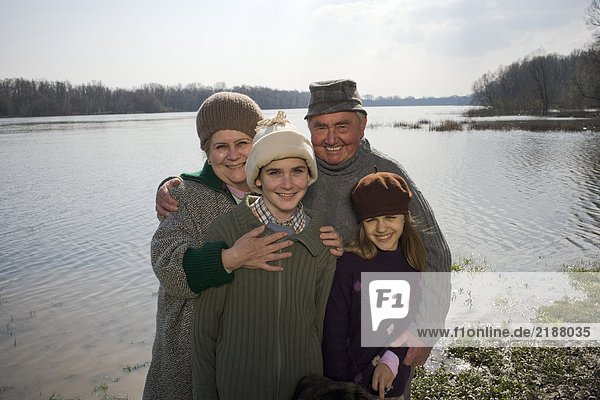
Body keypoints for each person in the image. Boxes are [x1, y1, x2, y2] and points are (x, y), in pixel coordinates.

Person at [156, 79, 451, 388]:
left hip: (380, 346)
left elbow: (436, 253)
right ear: (309, 128)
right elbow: (238, 186)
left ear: (362, 124)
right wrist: (178, 186)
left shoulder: (385, 174)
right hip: (308, 350)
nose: (332, 138)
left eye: (343, 126)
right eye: (321, 127)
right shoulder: (296, 171)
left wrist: (427, 326)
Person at [144, 93, 299, 400]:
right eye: (220, 146)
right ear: (207, 151)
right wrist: (230, 258)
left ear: (257, 142)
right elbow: (167, 265)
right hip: (189, 355)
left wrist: (416, 336)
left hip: (253, 356)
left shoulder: (282, 187)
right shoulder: (185, 195)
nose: (233, 155)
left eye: (242, 143)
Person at [191, 112, 337, 399]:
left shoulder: (321, 237)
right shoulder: (228, 230)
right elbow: (204, 333)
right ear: (257, 177)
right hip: (238, 387)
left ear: (309, 176)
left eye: (297, 170)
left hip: (303, 389)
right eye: (274, 172)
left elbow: (317, 325)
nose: (287, 183)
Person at [322, 171, 426, 400]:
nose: (381, 228)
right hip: (348, 387)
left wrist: (393, 358)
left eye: (390, 218)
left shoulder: (411, 263)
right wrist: (340, 390)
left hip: (392, 384)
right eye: (371, 220)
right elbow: (334, 334)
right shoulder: (348, 265)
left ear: (404, 217)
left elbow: (409, 324)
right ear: (362, 223)